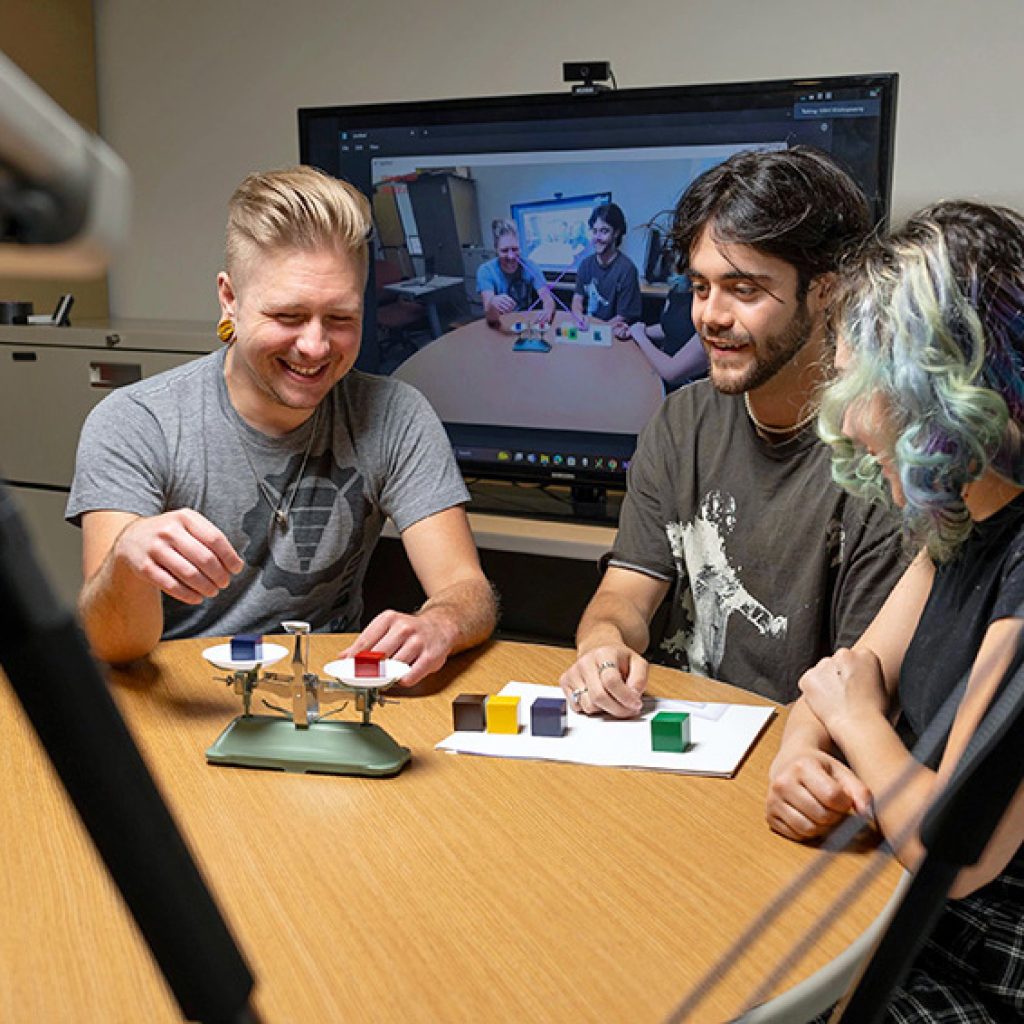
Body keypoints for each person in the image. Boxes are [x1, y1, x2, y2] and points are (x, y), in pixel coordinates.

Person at [67, 166, 497, 684]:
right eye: (288, 317)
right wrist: (127, 562)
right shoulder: (135, 422)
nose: (315, 347)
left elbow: (465, 588)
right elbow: (110, 645)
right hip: (177, 705)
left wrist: (441, 622)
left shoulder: (397, 415)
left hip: (322, 697)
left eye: (340, 318)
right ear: (230, 299)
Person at [767, 200, 1024, 1021]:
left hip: (983, 946)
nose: (843, 417)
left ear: (934, 387)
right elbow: (843, 679)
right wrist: (797, 757)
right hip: (904, 898)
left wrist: (855, 720)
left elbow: (961, 849)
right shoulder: (956, 528)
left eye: (858, 383)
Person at [559, 147, 905, 715]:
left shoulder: (877, 456)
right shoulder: (680, 421)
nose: (709, 317)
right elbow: (624, 593)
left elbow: (861, 688)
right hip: (671, 741)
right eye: (700, 287)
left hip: (794, 758)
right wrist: (603, 646)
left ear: (826, 292)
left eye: (743, 290)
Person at [571, 202, 642, 338]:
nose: (597, 237)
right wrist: (579, 317)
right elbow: (577, 300)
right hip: (588, 332)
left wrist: (595, 331)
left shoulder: (627, 269)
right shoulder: (585, 265)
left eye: (604, 231)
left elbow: (622, 317)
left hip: (611, 335)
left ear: (616, 233)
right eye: (594, 231)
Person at [626, 274, 708, 386]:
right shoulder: (680, 291)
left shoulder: (714, 316)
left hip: (688, 392)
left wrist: (641, 337)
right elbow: (672, 327)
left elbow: (671, 372)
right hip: (661, 376)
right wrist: (638, 330)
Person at [477, 218, 554, 327]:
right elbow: (490, 317)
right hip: (500, 326)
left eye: (515, 249)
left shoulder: (531, 266)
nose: (511, 256)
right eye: (504, 250)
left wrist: (547, 311)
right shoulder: (485, 271)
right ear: (496, 249)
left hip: (525, 325)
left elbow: (548, 300)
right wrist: (493, 304)